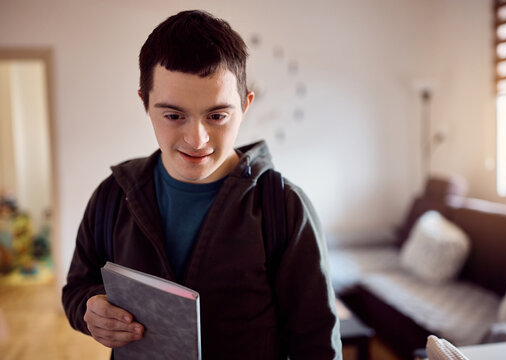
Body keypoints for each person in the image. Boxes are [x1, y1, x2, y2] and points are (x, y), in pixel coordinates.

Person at [62, 10, 342, 359]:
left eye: (217, 116)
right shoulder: (113, 195)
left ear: (245, 105)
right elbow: (76, 288)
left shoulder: (284, 207)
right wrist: (89, 308)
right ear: (145, 103)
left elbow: (316, 343)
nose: (197, 139)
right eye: (174, 115)